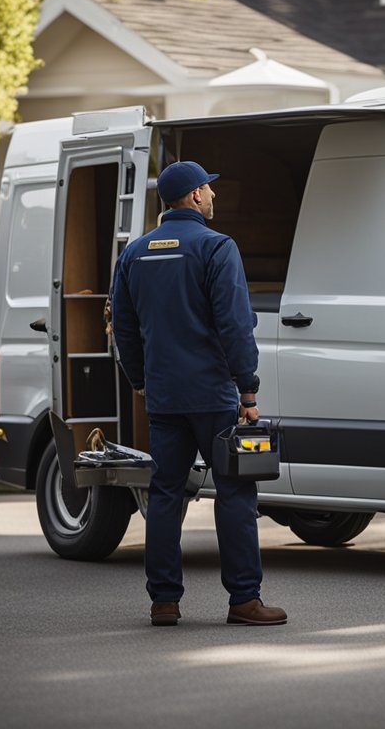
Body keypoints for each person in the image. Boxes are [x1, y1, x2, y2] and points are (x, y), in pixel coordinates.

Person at [110, 160, 286, 628]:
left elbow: (124, 328)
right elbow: (233, 325)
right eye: (209, 189)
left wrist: (141, 381)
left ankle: (164, 602)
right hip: (212, 394)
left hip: (165, 397)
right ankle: (244, 600)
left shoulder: (135, 254)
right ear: (193, 196)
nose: (214, 196)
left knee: (166, 493)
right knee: (235, 492)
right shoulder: (216, 247)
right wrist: (247, 389)